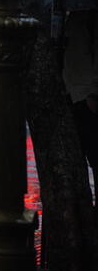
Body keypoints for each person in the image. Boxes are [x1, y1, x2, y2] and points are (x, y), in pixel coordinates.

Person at [63, 11, 98, 204]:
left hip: (86, 97)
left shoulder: (88, 16)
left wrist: (94, 93)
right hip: (75, 94)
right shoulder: (75, 14)